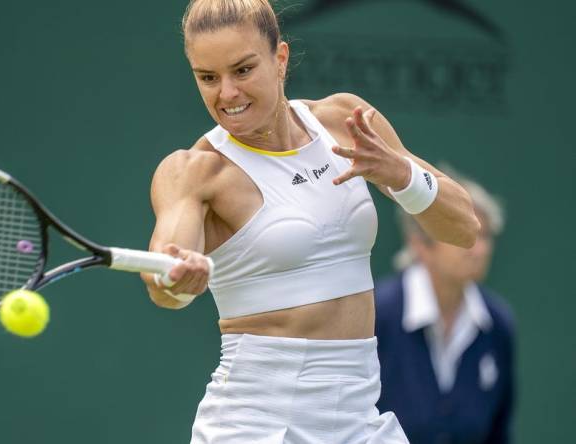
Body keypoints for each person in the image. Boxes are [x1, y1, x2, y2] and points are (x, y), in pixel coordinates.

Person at [140, 1, 480, 442]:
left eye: (242, 70)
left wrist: (402, 175)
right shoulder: (194, 172)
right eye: (208, 78)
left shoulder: (344, 121)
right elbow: (163, 281)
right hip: (255, 426)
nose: (226, 94)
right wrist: (174, 280)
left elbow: (464, 228)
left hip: (359, 419)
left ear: (280, 59)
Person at [374, 169, 515, 444]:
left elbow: (499, 432)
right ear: (419, 244)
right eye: (463, 236)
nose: (480, 249)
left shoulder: (498, 325)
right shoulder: (378, 313)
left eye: (485, 236)